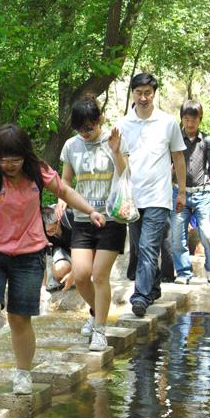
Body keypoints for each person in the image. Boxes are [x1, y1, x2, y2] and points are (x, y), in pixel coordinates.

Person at [0, 124, 105, 396]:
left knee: (19, 318)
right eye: (4, 159)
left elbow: (64, 191)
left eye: (15, 159)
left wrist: (90, 211)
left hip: (29, 256)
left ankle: (22, 374)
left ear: (25, 155)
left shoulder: (38, 172)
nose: (10, 165)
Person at [60, 97, 127, 350]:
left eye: (89, 128)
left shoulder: (113, 139)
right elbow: (66, 180)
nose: (85, 134)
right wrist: (62, 198)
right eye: (80, 130)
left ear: (98, 120)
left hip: (111, 218)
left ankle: (100, 329)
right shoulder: (70, 146)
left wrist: (117, 151)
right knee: (80, 275)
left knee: (99, 275)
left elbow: (125, 174)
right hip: (82, 218)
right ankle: (94, 312)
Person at [119, 72, 186, 317]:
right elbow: (120, 161)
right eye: (139, 92)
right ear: (133, 94)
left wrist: (182, 192)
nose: (144, 97)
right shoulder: (123, 125)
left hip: (158, 196)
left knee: (147, 247)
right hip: (133, 198)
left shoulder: (167, 123)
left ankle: (140, 297)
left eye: (148, 92)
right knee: (139, 247)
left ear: (154, 94)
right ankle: (154, 286)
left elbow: (178, 157)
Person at [171, 100, 210, 285]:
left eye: (194, 119)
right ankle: (183, 272)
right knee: (177, 236)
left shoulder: (208, 142)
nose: (190, 123)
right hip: (179, 193)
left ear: (200, 119)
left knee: (208, 234)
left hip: (203, 193)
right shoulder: (175, 141)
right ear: (182, 119)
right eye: (186, 119)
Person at [42, 205, 74, 293]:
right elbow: (42, 259)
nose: (50, 233)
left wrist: (75, 272)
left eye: (52, 229)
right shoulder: (41, 232)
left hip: (79, 249)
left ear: (58, 222)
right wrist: (43, 287)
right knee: (60, 270)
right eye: (47, 231)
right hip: (61, 251)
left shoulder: (69, 219)